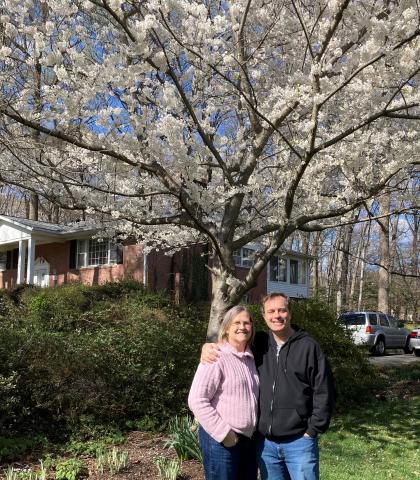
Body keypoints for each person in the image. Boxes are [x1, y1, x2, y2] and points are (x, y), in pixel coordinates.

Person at [201, 293, 336, 480]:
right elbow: (232, 342)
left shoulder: (308, 347)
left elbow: (324, 392)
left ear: (290, 313)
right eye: (271, 311)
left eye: (282, 310)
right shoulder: (259, 344)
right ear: (264, 316)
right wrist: (208, 346)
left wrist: (312, 430)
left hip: (299, 442)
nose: (277, 315)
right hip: (266, 445)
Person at [188, 306, 259, 480]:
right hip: (222, 442)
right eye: (236, 322)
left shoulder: (251, 358)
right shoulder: (216, 355)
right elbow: (197, 399)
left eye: (246, 322)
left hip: (248, 442)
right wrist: (224, 434)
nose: (242, 327)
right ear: (227, 327)